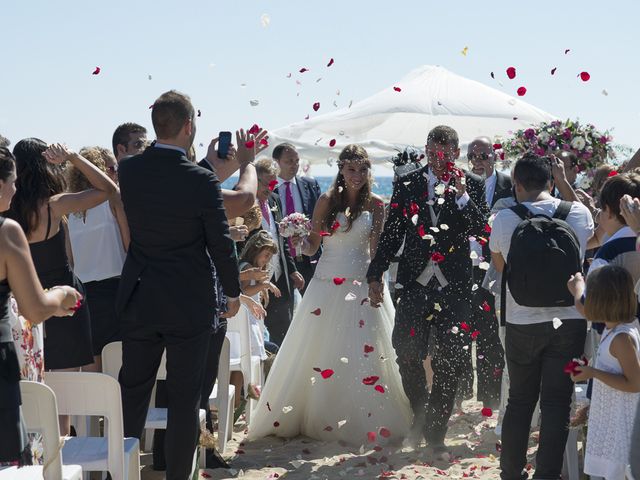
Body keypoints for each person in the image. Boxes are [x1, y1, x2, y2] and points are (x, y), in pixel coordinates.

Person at [248, 144, 412, 444]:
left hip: (361, 280)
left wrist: (377, 281)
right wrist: (296, 238)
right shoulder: (325, 201)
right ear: (341, 169)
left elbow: (376, 249)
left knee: (366, 348)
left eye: (363, 169)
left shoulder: (376, 204)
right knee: (321, 347)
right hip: (326, 281)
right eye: (351, 169)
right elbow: (313, 246)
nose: (358, 175)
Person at [116, 90, 241, 480]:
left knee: (132, 393)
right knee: (185, 399)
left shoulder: (129, 170)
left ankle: (117, 472)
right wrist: (234, 291)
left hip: (141, 296)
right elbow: (220, 242)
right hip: (189, 302)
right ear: (189, 126)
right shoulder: (199, 179)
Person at [367, 125, 488, 455]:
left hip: (456, 287)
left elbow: (482, 228)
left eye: (446, 154)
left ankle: (435, 430)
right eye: (433, 154)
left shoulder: (473, 185)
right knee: (405, 352)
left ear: (456, 153)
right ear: (426, 150)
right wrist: (375, 272)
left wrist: (462, 196)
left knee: (451, 359)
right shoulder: (407, 184)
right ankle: (420, 412)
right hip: (414, 284)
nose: (439, 160)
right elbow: (393, 234)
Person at [490, 153, 593, 480]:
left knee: (520, 401)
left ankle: (511, 473)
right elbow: (585, 246)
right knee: (556, 401)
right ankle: (547, 474)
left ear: (516, 184)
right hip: (569, 321)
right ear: (551, 181)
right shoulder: (576, 213)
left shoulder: (505, 219)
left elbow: (500, 267)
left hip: (522, 322)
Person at [0, 146, 81, 465]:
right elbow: (34, 309)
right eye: (12, 182)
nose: (15, 188)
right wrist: (61, 295)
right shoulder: (6, 232)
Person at [7, 141, 116, 371]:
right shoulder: (53, 206)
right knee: (71, 388)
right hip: (66, 300)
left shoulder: (5, 214)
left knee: (32, 386)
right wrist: (73, 157)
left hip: (24, 302)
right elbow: (108, 190)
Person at [567, 266, 640, 480]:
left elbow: (635, 383)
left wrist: (593, 373)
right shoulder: (615, 326)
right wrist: (578, 290)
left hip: (623, 425)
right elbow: (584, 309)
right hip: (614, 418)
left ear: (601, 302)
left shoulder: (621, 338)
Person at [66, 146, 129, 371]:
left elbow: (71, 261)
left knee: (93, 369)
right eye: (113, 168)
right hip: (115, 292)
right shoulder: (114, 200)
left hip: (83, 295)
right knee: (118, 369)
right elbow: (129, 246)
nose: (117, 172)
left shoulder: (69, 210)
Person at [462, 136, 510, 408]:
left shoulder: (509, 186)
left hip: (497, 267)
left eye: (483, 155)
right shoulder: (461, 184)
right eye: (473, 156)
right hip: (466, 267)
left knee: (491, 333)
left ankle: (490, 396)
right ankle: (464, 391)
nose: (478, 161)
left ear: (495, 156)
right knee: (464, 331)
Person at [252, 157, 304, 345]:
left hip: (280, 278)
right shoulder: (243, 200)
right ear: (254, 180)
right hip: (255, 279)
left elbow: (281, 240)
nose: (270, 188)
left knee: (282, 331)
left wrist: (292, 270)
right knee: (257, 334)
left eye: (273, 183)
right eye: (266, 183)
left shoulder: (274, 199)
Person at [272, 143, 321, 292]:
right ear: (276, 162)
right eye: (288, 161)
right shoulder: (267, 188)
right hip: (279, 258)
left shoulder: (310, 185)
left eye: (296, 161)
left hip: (308, 256)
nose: (294, 165)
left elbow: (319, 219)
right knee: (283, 310)